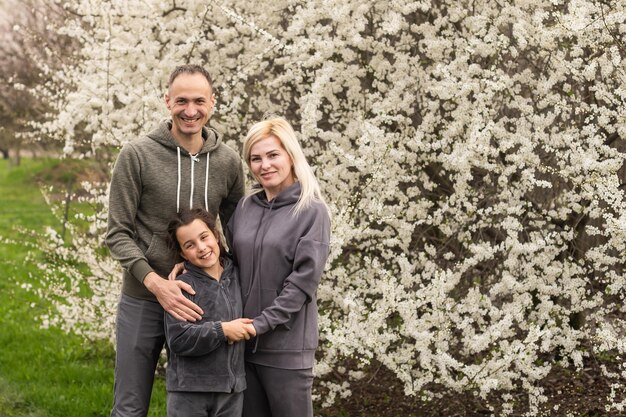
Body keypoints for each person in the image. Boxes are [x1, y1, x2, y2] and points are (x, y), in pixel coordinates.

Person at [105, 64, 245, 417]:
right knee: (130, 406)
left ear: (212, 103)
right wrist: (156, 284)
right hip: (145, 298)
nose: (190, 110)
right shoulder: (136, 155)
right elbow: (117, 232)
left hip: (205, 304)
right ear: (167, 101)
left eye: (199, 100)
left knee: (203, 402)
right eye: (181, 100)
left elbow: (236, 231)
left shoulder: (228, 161)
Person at [227, 116, 331, 417]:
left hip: (286, 348)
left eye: (273, 155)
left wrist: (261, 324)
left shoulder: (311, 210)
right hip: (242, 346)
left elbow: (302, 284)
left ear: (290, 155)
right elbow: (230, 266)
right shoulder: (246, 207)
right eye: (255, 158)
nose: (265, 165)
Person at [164, 208, 255, 417]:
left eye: (204, 237)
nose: (202, 248)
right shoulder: (182, 287)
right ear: (182, 253)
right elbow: (178, 338)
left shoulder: (239, 275)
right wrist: (221, 330)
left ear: (215, 235)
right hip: (190, 392)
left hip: (231, 392)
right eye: (190, 245)